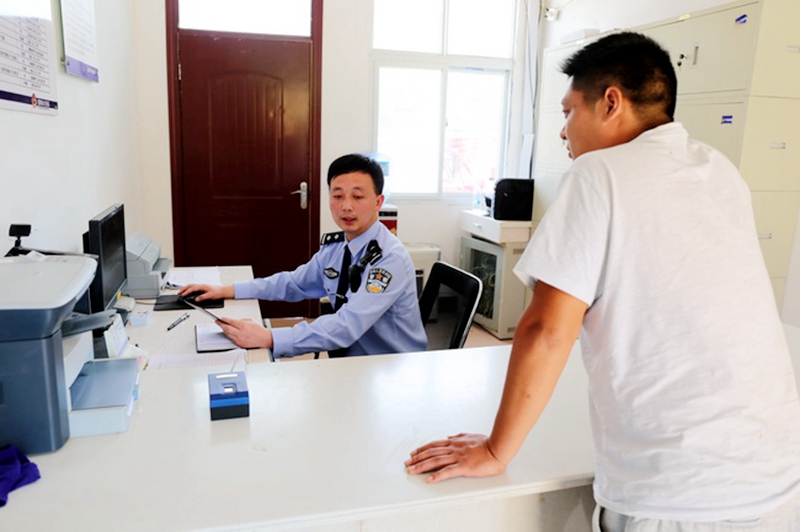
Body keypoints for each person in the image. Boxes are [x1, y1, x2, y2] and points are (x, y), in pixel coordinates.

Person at [404, 32, 800, 531]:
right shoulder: (718, 169)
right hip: (778, 479)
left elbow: (547, 330)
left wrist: (496, 450)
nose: (563, 132)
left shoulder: (598, 174)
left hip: (679, 495)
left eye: (569, 111)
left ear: (611, 102)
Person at [179, 153, 427, 358]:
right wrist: (227, 290)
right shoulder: (337, 247)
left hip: (390, 367)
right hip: (352, 362)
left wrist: (270, 337)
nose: (346, 206)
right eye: (337, 196)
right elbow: (293, 283)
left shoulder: (388, 259)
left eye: (358, 196)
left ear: (378, 202)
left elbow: (347, 326)